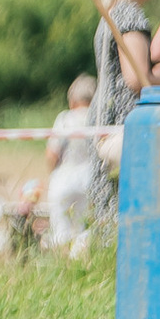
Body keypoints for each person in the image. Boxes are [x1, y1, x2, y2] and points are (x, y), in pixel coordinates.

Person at [92, 0, 160, 128]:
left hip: (103, 113)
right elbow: (137, 78)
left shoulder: (111, 13)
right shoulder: (129, 16)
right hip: (124, 119)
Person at [46, 73, 113, 253]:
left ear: (72, 99)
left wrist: (51, 173)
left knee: (61, 231)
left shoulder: (64, 118)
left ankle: (63, 262)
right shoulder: (98, 118)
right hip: (90, 178)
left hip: (64, 177)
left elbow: (52, 153)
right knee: (83, 231)